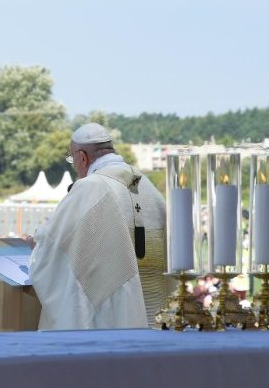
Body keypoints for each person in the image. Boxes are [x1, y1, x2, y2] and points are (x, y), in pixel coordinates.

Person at [28, 122, 167, 330]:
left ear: (82, 157)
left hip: (115, 323)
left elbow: (51, 247)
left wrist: (35, 244)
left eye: (72, 159)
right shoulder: (149, 188)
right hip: (155, 316)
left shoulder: (91, 188)